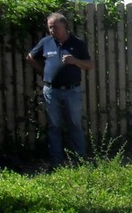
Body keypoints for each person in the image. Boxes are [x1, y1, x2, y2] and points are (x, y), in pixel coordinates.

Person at [26, 12, 94, 166]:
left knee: (75, 124)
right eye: (50, 27)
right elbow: (30, 57)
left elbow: (89, 65)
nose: (52, 30)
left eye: (55, 27)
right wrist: (43, 71)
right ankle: (56, 162)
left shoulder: (77, 43)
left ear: (64, 26)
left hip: (72, 91)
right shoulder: (46, 42)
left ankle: (80, 160)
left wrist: (74, 61)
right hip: (52, 91)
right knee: (54, 126)